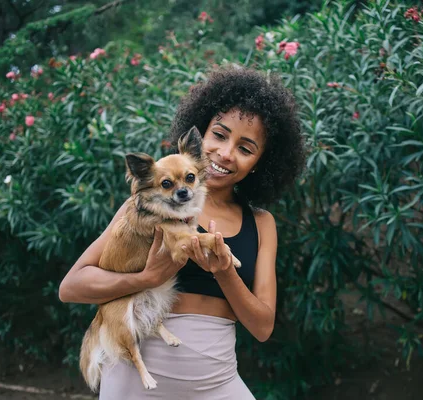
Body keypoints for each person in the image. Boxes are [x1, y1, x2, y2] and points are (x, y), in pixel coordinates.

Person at [58, 65, 306, 399]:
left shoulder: (261, 224)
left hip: (218, 383)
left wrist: (224, 273)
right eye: (218, 134)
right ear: (199, 134)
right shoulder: (147, 206)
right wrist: (145, 279)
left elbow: (262, 327)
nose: (225, 153)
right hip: (137, 377)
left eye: (245, 149)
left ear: (260, 163)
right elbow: (71, 287)